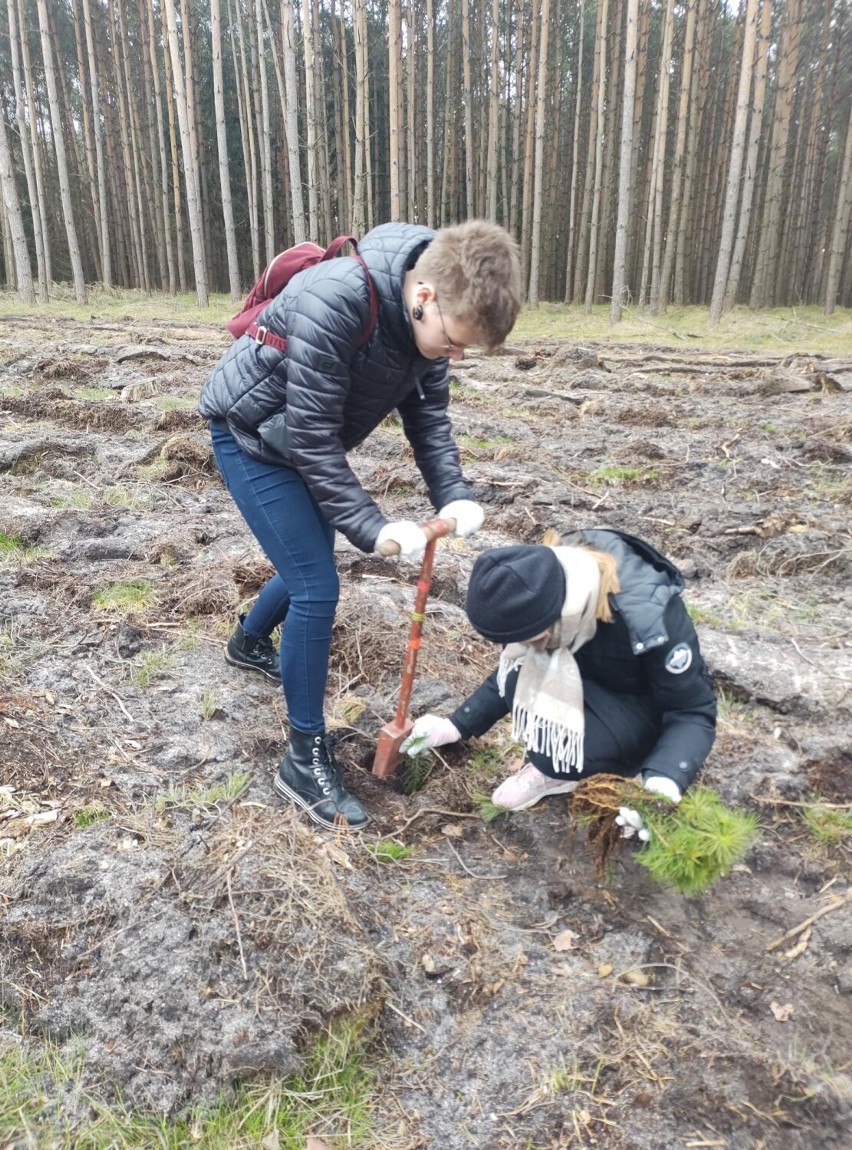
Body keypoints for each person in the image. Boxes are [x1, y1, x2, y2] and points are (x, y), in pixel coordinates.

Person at [199, 220, 522, 831]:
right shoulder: (337, 300)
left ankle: (247, 644)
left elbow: (429, 425)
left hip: (298, 443)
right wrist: (371, 528)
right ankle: (301, 758)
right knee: (316, 585)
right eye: (455, 340)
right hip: (251, 435)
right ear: (425, 295)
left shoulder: (428, 325)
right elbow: (314, 439)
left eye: (467, 349)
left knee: (307, 569)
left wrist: (455, 496)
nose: (455, 356)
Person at [400, 529, 717, 821]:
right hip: (587, 675)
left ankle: (564, 768)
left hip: (640, 704)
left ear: (554, 613)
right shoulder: (545, 581)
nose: (517, 644)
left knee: (585, 746)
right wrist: (456, 725)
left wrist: (665, 779)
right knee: (517, 675)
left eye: (527, 636)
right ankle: (556, 762)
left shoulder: (649, 619)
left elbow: (692, 711)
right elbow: (514, 662)